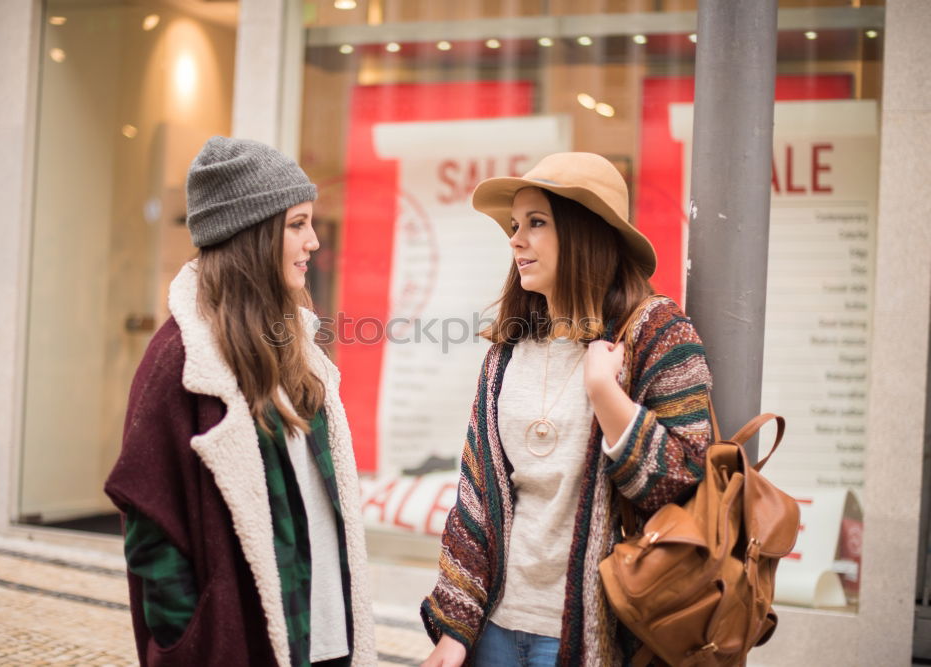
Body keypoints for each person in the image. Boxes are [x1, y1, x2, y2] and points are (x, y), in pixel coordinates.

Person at [419, 153, 714, 666]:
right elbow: (476, 499)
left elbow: (686, 479)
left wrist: (606, 393)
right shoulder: (507, 352)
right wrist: (455, 628)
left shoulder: (657, 334)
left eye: (537, 223)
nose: (516, 240)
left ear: (585, 233)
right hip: (495, 629)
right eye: (515, 225)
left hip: (596, 633)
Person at [104, 137, 375, 667]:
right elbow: (149, 528)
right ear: (251, 233)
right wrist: (193, 643)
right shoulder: (182, 360)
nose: (314, 241)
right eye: (297, 224)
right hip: (245, 647)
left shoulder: (298, 348)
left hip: (324, 637)